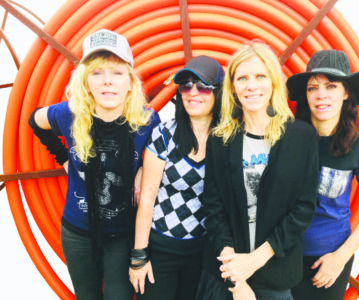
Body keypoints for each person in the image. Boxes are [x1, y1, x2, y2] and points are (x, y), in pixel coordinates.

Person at [28, 29, 160, 300]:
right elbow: (34, 121)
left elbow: (162, 160)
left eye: (117, 73)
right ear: (85, 82)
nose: (107, 82)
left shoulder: (147, 122)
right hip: (77, 234)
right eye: (97, 73)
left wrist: (145, 170)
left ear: (131, 82)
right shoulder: (69, 114)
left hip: (123, 235)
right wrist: (63, 158)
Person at [195, 42, 319, 300]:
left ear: (273, 81)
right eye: (242, 78)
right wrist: (236, 277)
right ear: (233, 87)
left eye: (260, 76)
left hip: (275, 274)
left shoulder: (302, 137)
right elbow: (213, 205)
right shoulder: (221, 139)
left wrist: (254, 261)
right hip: (224, 271)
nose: (251, 86)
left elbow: (303, 208)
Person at [286, 49, 359, 300]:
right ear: (306, 95)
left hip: (328, 260)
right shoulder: (288, 137)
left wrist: (339, 258)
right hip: (283, 252)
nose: (321, 95)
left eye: (331, 86)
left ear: (345, 93)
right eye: (313, 88)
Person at [129, 55, 224, 300]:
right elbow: (147, 198)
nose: (193, 92)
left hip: (202, 253)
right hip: (161, 250)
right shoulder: (165, 134)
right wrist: (139, 255)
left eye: (203, 85)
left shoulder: (227, 138)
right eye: (186, 85)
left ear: (219, 92)